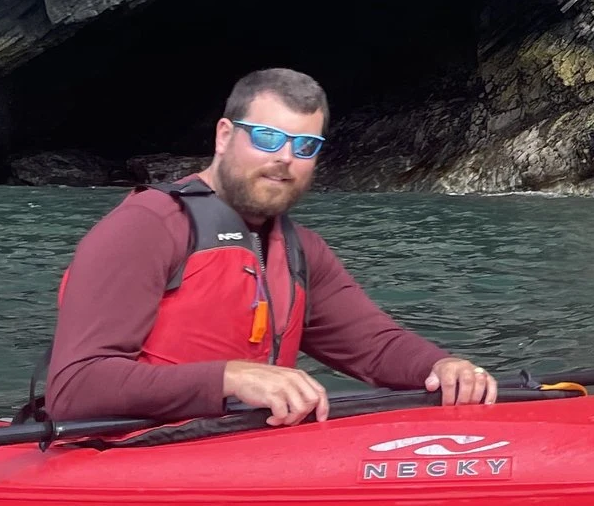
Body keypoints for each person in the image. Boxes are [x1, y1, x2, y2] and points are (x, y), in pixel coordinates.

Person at [42, 67, 496, 425]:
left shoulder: (301, 250)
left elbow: (375, 347)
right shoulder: (146, 227)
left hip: (239, 451)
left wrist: (443, 367)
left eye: (305, 146)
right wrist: (230, 377)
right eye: (267, 138)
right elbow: (75, 388)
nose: (285, 158)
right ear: (224, 136)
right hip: (128, 457)